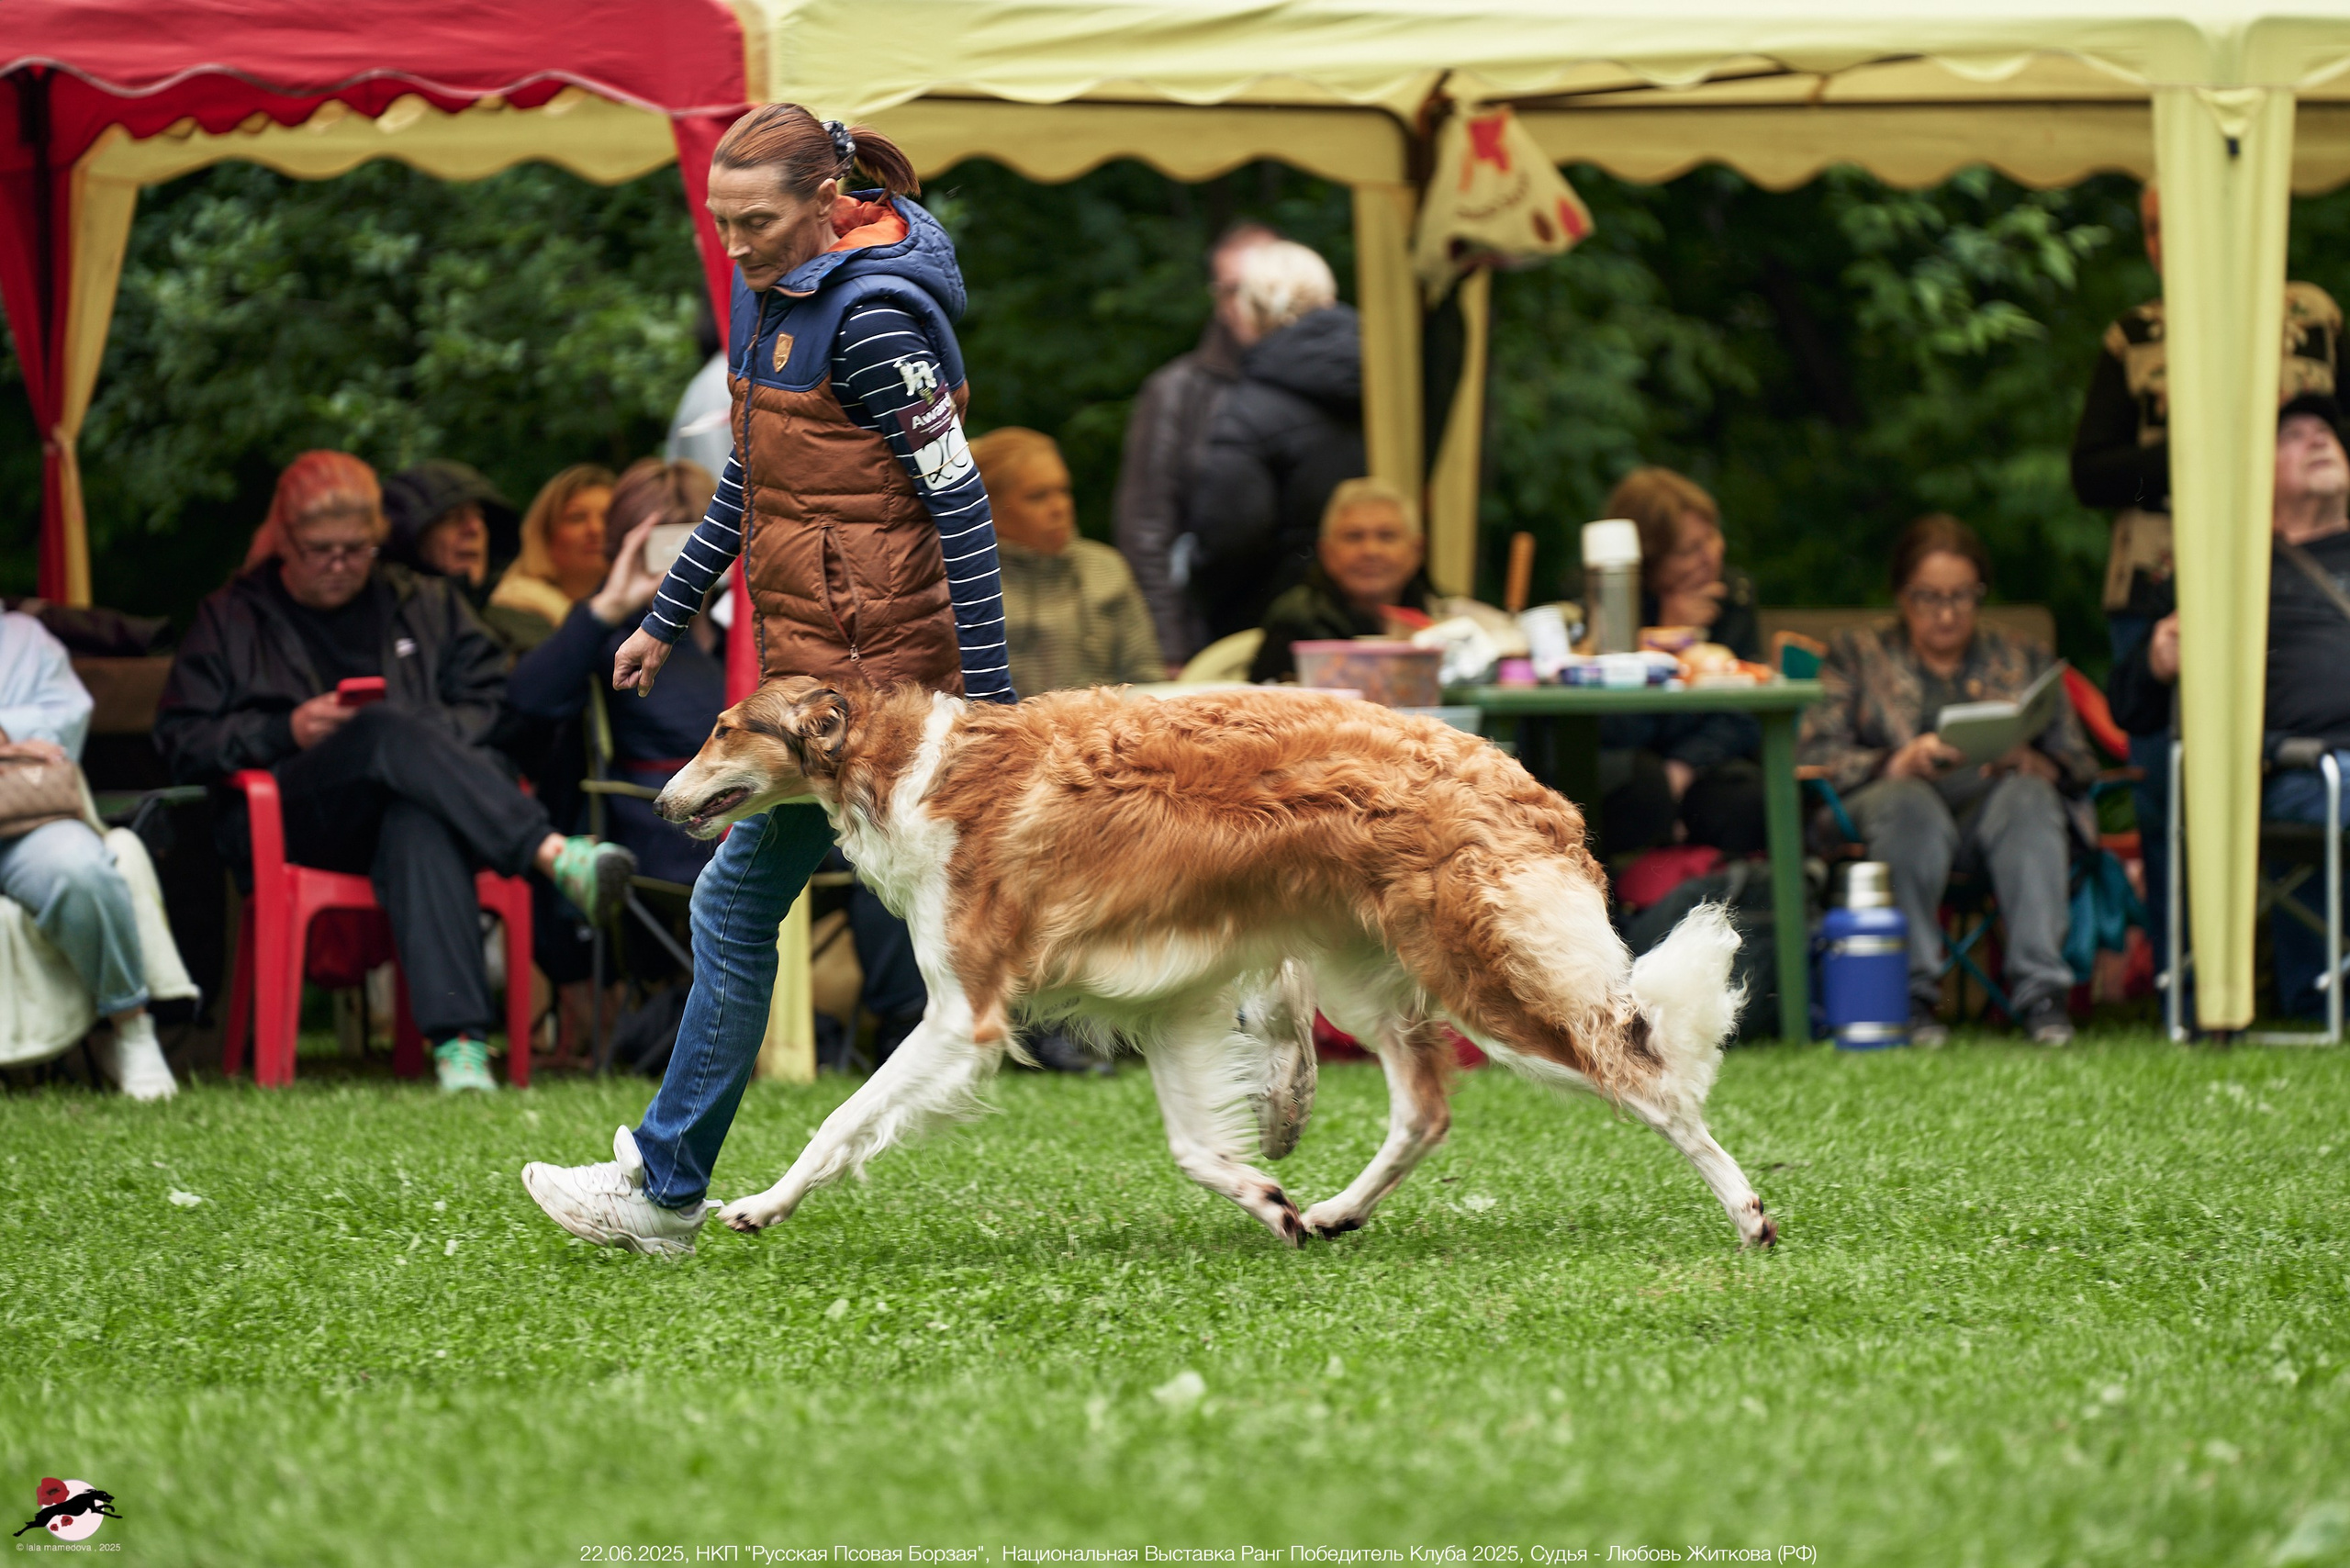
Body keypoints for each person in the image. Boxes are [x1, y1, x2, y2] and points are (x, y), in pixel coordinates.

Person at [520, 105, 1016, 1255]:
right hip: (812, 665)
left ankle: (664, 1186)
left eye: (757, 220)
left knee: (742, 903)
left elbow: (963, 506)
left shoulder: (879, 315)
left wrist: (985, 701)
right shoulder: (772, 292)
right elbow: (752, 479)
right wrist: (667, 611)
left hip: (878, 689)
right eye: (720, 222)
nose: (734, 244)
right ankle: (664, 1175)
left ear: (826, 199)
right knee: (763, 904)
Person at [156, 451, 636, 1092]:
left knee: (414, 808)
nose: (339, 564)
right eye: (321, 550)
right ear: (285, 543)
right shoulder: (233, 616)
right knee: (380, 726)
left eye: (357, 550)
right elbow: (180, 739)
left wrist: (422, 739)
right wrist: (285, 729)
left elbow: (496, 704)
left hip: (415, 806)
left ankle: (460, 1049)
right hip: (294, 815)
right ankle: (551, 853)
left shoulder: (426, 602)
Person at [2071, 179, 2341, 965]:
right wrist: (2210, 448)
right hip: (2166, 584)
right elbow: (2093, 476)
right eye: (2151, 231)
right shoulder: (2137, 335)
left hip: (2307, 574)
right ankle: (2182, 979)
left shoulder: (2312, 317)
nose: (2162, 246)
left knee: (2305, 756)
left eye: (2177, 227)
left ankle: (2306, 980)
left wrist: (2290, 433)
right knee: (2169, 787)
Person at [1798, 514, 2099, 1046]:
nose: (1946, 613)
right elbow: (1813, 755)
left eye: (1962, 596)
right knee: (1908, 803)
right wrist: (1894, 761)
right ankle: (1910, 996)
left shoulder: (2020, 654)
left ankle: (2043, 994)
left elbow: (2078, 763)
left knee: (2031, 796)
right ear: (1900, 595)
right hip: (1889, 815)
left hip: (1995, 818)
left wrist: (2034, 762)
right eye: (1927, 597)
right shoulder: (1857, 655)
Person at [2109, 394, 2350, 1017]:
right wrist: (2156, 661)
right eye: (2293, 435)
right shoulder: (2228, 570)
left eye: (2325, 430)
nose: (2318, 438)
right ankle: (2312, 994)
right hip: (2295, 772)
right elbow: (2129, 708)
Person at [505, 459, 724, 889]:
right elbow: (525, 700)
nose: (682, 560)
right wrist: (611, 605)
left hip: (763, 830)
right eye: (664, 543)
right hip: (669, 846)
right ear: (627, 547)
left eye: (694, 541)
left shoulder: (737, 632)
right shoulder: (611, 638)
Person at [0, 610, 176, 1098]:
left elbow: (65, 725)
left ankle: (130, 1027)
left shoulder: (22, 636)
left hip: (23, 816)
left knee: (82, 871)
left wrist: (5, 730)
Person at [1113, 222, 1277, 671]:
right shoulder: (1176, 392)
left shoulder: (1339, 381)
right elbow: (1146, 531)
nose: (1245, 304)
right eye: (1230, 290)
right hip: (1205, 636)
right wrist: (1168, 650)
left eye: (1261, 288)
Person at [1186, 240, 1365, 644]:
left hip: (1275, 626)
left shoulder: (1249, 410)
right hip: (1378, 617)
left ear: (1250, 315)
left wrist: (1200, 589)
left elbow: (1231, 536)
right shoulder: (1389, 381)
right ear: (1330, 299)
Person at [1594, 467, 1766, 861]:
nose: (1712, 555)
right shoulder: (1605, 598)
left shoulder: (1731, 599)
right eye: (1691, 549)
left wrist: (1684, 765)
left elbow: (1742, 714)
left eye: (1713, 537)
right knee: (1641, 788)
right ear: (1650, 563)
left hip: (1701, 767)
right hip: (1628, 767)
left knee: (1751, 798)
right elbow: (1614, 727)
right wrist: (1668, 636)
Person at [970, 427, 1162, 698]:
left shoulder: (1106, 569)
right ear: (990, 506)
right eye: (1038, 496)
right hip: (1003, 734)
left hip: (1107, 731)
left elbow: (1148, 681)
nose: (1059, 508)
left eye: (1063, 490)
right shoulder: (966, 582)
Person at [1249, 476, 1435, 683]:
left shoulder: (1448, 618)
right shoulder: (1292, 620)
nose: (1370, 551)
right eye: (1354, 536)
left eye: (1387, 536)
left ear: (1417, 549)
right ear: (1325, 552)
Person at [382, 460, 542, 652]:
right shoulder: (379, 632)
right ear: (410, 537)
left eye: (480, 516)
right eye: (451, 517)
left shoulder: (526, 628)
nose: (474, 528)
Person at [489, 465, 619, 646]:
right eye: (577, 518)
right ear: (544, 534)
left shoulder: (650, 606)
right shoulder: (515, 611)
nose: (596, 529)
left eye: (608, 517)